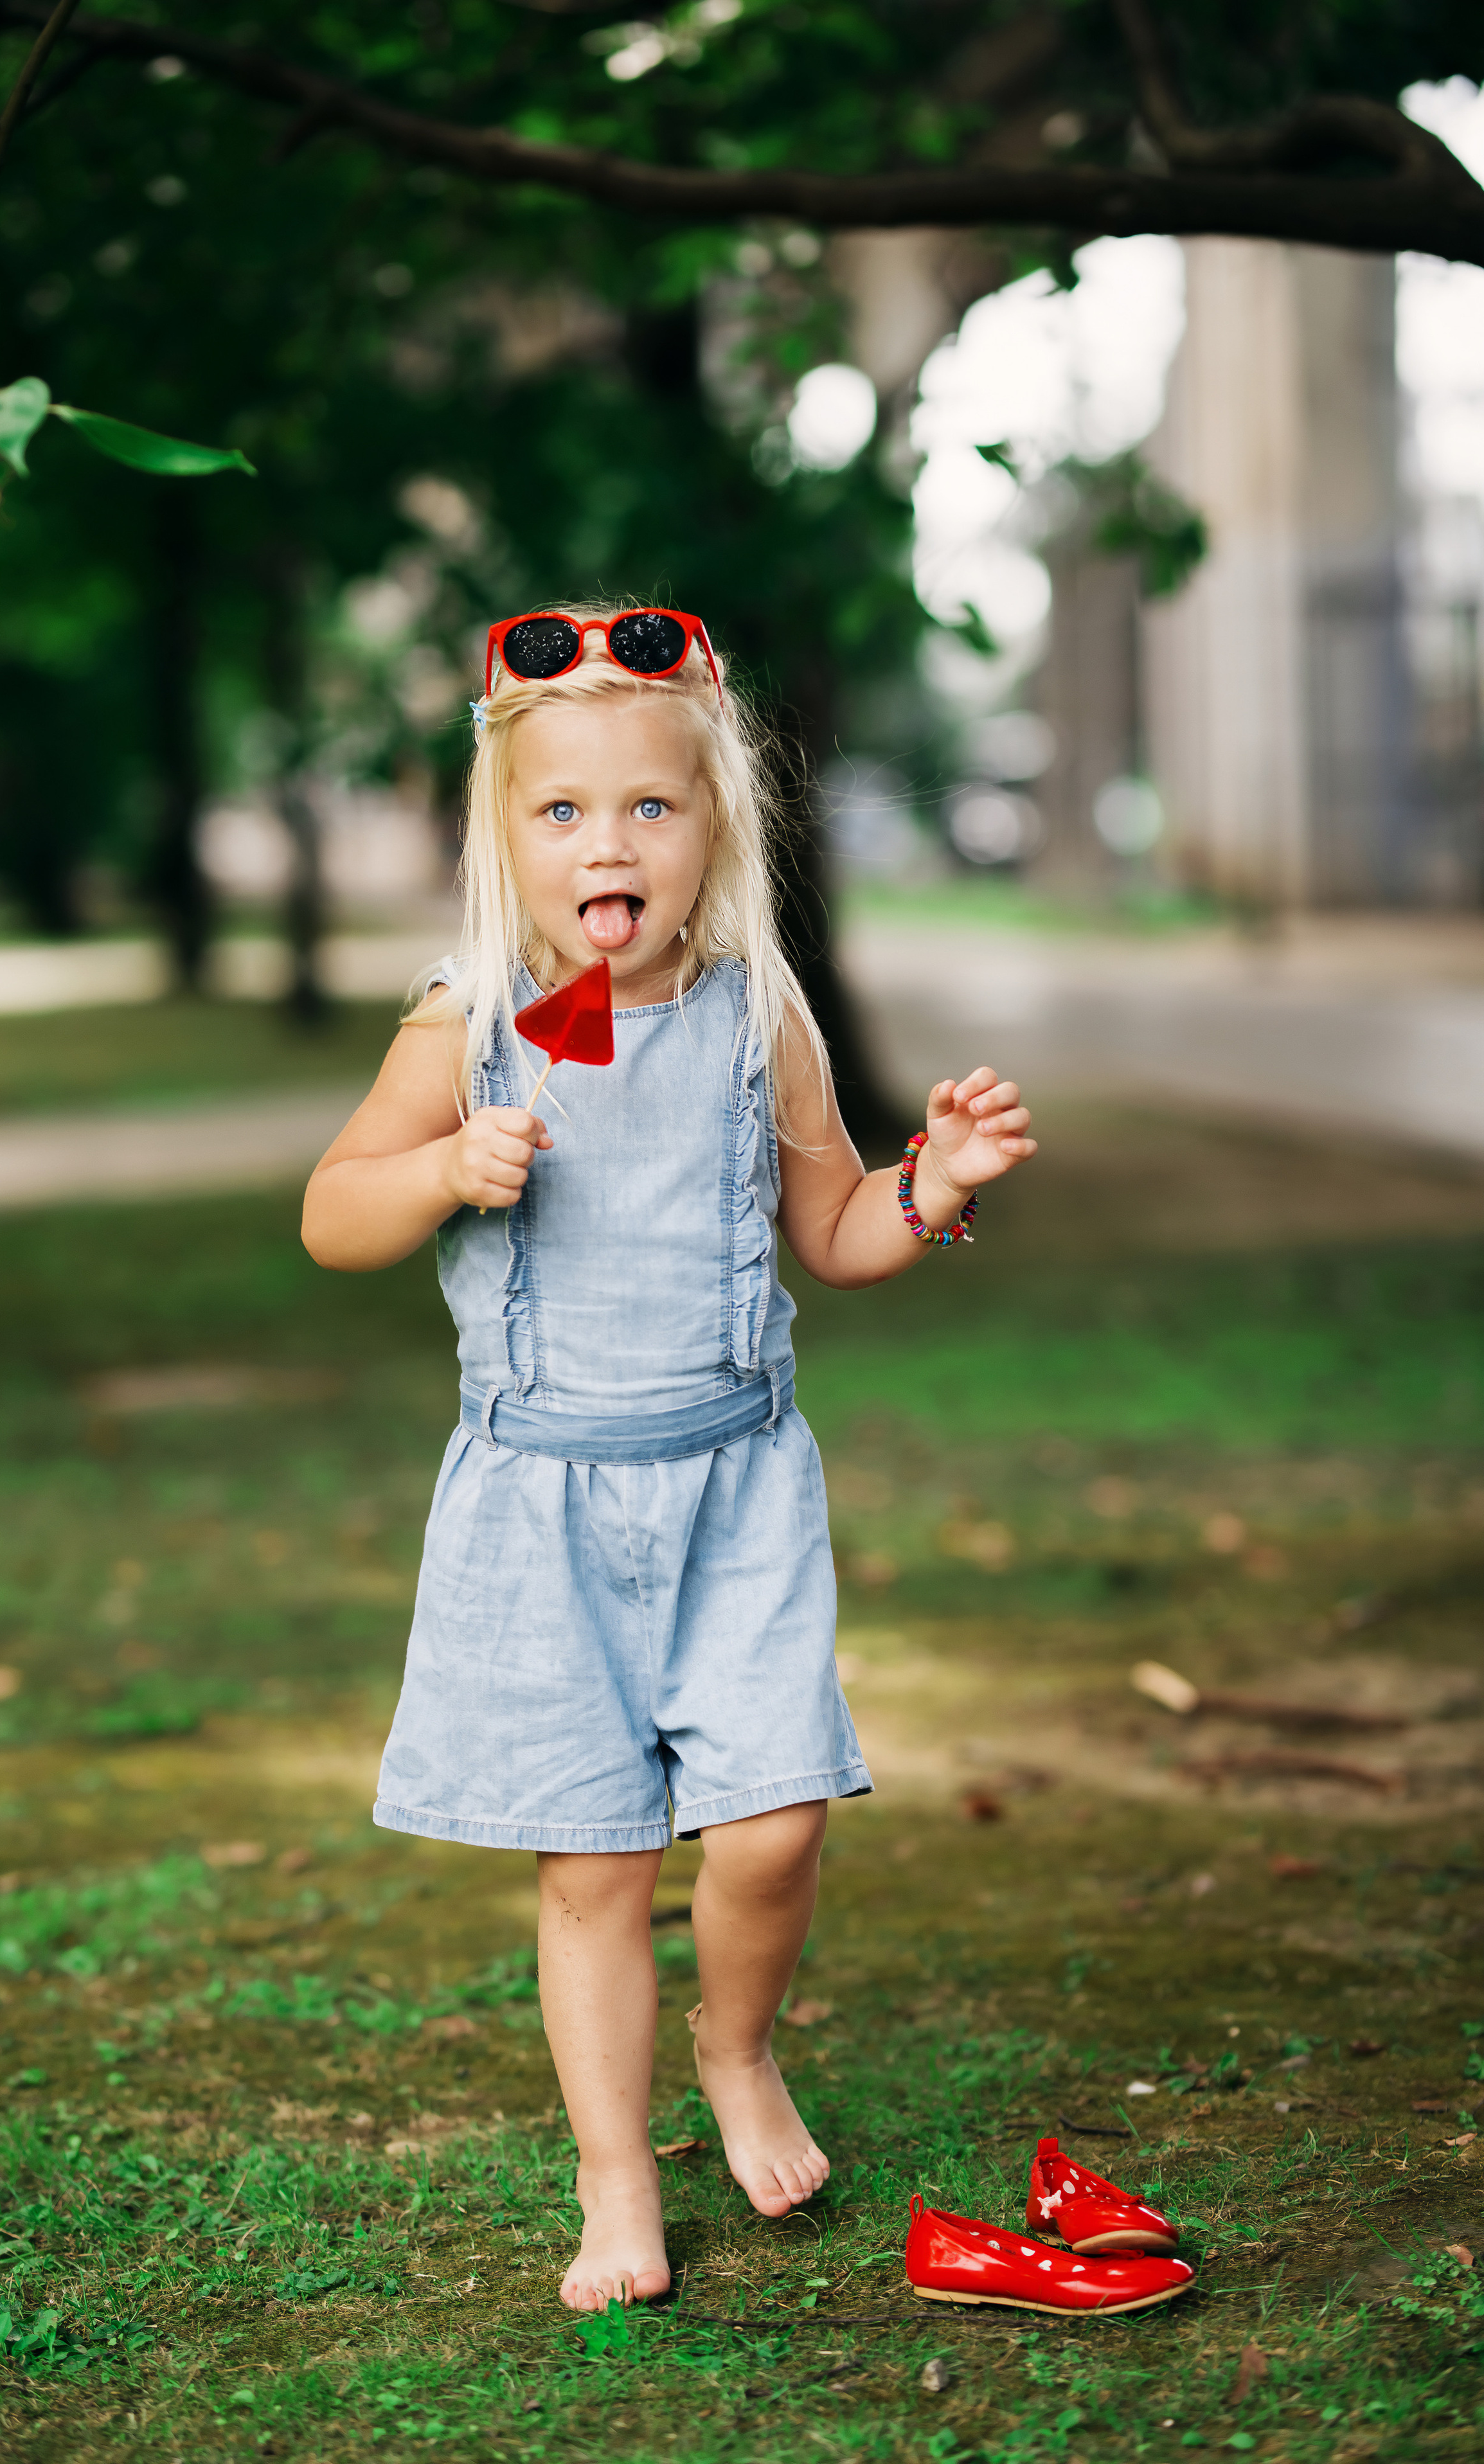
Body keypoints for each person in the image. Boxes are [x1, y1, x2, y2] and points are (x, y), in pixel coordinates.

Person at [301, 604, 1037, 2312]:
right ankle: (618, 2179)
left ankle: (738, 2041)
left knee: (773, 1827)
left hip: (737, 1489)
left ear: (716, 828)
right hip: (546, 1502)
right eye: (562, 812)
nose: (607, 842)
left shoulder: (749, 1013)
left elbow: (836, 1228)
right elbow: (337, 1210)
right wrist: (436, 1173)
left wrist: (934, 1183)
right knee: (599, 1867)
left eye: (650, 806)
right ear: (506, 839)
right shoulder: (468, 1020)